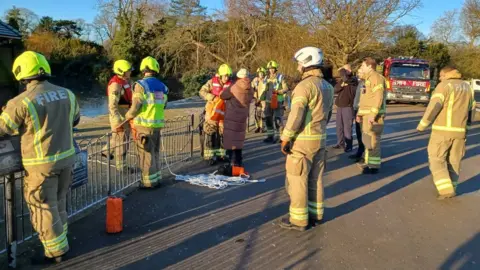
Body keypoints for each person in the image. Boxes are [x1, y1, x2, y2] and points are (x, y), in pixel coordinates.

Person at [0, 51, 80, 264]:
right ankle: (61, 241)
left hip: (40, 165)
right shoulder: (68, 94)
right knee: (59, 203)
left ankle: (56, 252)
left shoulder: (21, 101)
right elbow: (75, 120)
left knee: (43, 208)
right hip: (67, 159)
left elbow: (3, 128)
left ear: (22, 75)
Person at [279, 47, 334, 231]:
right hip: (321, 138)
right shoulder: (327, 86)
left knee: (298, 179)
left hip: (303, 140)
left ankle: (299, 220)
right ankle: (316, 214)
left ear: (306, 63)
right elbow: (328, 114)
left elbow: (296, 116)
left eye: (299, 63)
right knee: (315, 179)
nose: (298, 67)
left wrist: (286, 137)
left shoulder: (304, 86)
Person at [417, 66, 476, 199]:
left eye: (441, 76)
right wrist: (466, 129)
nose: (439, 78)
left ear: (446, 75)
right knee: (454, 161)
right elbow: (471, 110)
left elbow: (435, 106)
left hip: (442, 131)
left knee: (436, 158)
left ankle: (446, 190)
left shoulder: (444, 86)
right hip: (460, 132)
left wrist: (422, 125)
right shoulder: (467, 87)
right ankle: (453, 186)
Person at [124, 56, 168, 188]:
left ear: (143, 69)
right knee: (155, 152)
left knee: (145, 154)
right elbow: (164, 105)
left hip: (143, 126)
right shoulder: (163, 86)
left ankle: (148, 182)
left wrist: (127, 116)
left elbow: (136, 105)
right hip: (157, 125)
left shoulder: (140, 85)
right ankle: (157, 178)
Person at [356, 57, 386, 174]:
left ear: (369, 66)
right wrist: (359, 113)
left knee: (373, 140)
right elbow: (365, 99)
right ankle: (369, 163)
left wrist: (373, 114)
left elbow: (378, 97)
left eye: (363, 66)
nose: (361, 68)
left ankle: (373, 166)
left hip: (373, 116)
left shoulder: (376, 78)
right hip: (366, 115)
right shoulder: (367, 79)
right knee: (367, 140)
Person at [102, 60, 133, 170]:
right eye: (128, 71)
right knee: (122, 142)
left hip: (125, 114)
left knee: (117, 138)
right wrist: (118, 120)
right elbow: (112, 105)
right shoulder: (116, 85)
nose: (130, 72)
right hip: (120, 117)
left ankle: (106, 151)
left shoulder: (125, 81)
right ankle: (121, 167)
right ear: (122, 72)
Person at [220, 68, 254, 171]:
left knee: (231, 140)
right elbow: (251, 98)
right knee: (239, 139)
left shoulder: (234, 87)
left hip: (232, 117)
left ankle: (233, 164)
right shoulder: (250, 88)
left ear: (238, 77)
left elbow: (223, 95)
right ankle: (239, 162)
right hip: (242, 117)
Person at [199, 64, 233, 165]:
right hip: (211, 114)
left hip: (224, 115)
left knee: (223, 136)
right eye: (225, 76)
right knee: (210, 134)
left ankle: (222, 155)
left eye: (228, 76)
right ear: (220, 75)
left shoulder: (231, 85)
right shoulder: (211, 82)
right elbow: (202, 91)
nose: (226, 78)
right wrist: (212, 97)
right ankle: (210, 156)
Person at [333, 64, 358, 152]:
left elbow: (346, 79)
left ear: (349, 71)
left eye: (345, 70)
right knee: (339, 126)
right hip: (340, 106)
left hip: (348, 106)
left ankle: (349, 145)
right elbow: (335, 89)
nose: (343, 72)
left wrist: (341, 70)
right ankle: (340, 143)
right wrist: (341, 85)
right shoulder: (342, 80)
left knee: (347, 127)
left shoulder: (353, 79)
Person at [264, 60, 289, 143]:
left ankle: (280, 136)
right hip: (268, 101)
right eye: (269, 68)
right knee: (268, 119)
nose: (271, 70)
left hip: (278, 101)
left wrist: (278, 92)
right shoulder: (266, 78)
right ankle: (270, 136)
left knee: (277, 119)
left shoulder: (280, 77)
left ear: (275, 69)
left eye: (273, 68)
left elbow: (286, 88)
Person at [349, 79, 366, 162]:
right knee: (359, 133)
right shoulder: (361, 82)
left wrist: (359, 112)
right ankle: (360, 151)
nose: (359, 72)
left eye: (361, 69)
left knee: (364, 134)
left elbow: (364, 98)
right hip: (357, 109)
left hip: (362, 110)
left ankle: (364, 154)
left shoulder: (366, 82)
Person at [252, 67, 267, 133]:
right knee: (257, 114)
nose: (261, 74)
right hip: (257, 99)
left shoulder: (266, 81)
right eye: (259, 73)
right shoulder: (255, 80)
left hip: (264, 100)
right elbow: (252, 87)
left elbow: (266, 90)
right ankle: (257, 126)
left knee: (263, 114)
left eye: (262, 73)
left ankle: (262, 127)